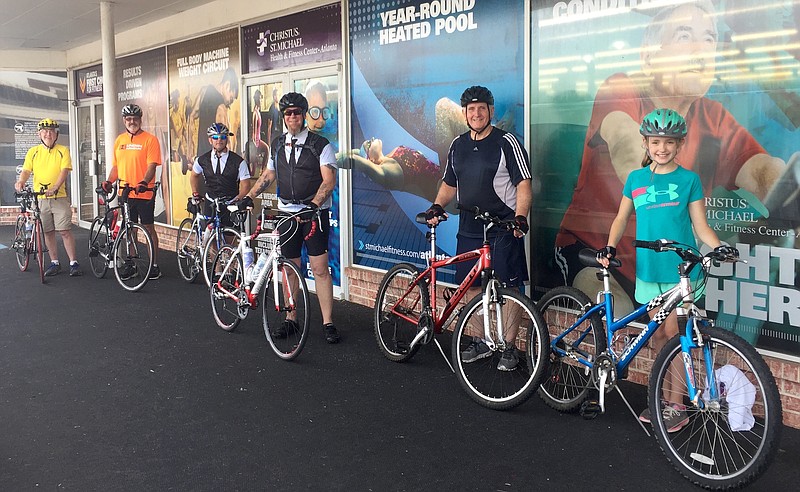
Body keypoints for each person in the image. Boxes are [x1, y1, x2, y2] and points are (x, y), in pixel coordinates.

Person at [554, 0, 787, 311]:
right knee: (621, 321)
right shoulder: (622, 87)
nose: (700, 50)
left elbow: (759, 169)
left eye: (709, 39)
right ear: (649, 57)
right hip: (594, 251)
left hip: (664, 261)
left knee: (681, 330)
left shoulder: (713, 116)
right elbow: (624, 141)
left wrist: (785, 188)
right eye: (684, 36)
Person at [597, 109, 737, 432]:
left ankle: (676, 404)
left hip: (680, 273)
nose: (662, 148)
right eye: (656, 142)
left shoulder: (689, 180)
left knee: (674, 335)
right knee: (659, 335)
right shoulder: (635, 179)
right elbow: (621, 218)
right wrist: (610, 245)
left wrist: (716, 246)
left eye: (669, 142)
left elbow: (700, 226)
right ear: (645, 143)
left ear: (680, 144)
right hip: (648, 271)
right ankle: (664, 397)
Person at [424, 85, 532, 371]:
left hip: (502, 227)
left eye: (481, 109)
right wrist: (437, 205)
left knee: (509, 288)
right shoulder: (457, 144)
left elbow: (524, 184)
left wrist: (520, 218)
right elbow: (449, 183)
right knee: (470, 287)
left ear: (491, 111)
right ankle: (480, 340)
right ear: (464, 114)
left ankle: (508, 347)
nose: (476, 114)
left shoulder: (506, 142)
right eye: (471, 110)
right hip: (469, 228)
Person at [242, 92, 340, 344]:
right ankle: (290, 319)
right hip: (287, 213)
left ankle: (328, 323)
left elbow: (329, 181)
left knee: (319, 269)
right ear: (284, 117)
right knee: (290, 269)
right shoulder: (276, 144)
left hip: (314, 215)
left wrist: (314, 204)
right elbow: (269, 174)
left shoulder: (321, 145)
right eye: (288, 113)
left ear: (304, 115)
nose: (293, 116)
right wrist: (248, 196)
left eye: (297, 112)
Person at [102, 104, 163, 280]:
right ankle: (132, 264)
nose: (132, 122)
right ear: (124, 121)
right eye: (128, 119)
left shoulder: (150, 140)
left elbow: (152, 166)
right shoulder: (120, 141)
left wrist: (144, 181)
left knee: (148, 228)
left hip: (144, 192)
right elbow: (116, 167)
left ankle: (154, 266)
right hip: (125, 192)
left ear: (140, 120)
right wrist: (109, 181)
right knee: (129, 230)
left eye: (135, 119)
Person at [15, 118, 82, 277]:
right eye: (45, 131)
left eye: (51, 131)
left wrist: (55, 187)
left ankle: (73, 262)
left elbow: (64, 171)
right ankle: (54, 262)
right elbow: (26, 170)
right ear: (39, 134)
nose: (48, 134)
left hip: (59, 197)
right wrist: (21, 182)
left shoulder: (63, 150)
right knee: (48, 231)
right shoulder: (34, 152)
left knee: (64, 230)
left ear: (56, 134)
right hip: (41, 199)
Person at [189, 123, 252, 228]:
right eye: (215, 137)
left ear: (227, 139)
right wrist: (195, 193)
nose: (219, 140)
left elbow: (246, 185)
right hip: (211, 203)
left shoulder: (238, 161)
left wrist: (238, 198)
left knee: (229, 238)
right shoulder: (202, 160)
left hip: (229, 203)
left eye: (222, 137)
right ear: (210, 140)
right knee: (211, 239)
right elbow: (194, 176)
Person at [189, 68, 239, 159]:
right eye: (231, 99)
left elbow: (191, 117)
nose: (230, 103)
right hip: (213, 164)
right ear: (227, 85)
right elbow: (228, 144)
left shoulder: (204, 91)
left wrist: (190, 149)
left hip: (201, 159)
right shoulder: (222, 108)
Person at [247, 89, 269, 176]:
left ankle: (261, 170)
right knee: (266, 149)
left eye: (260, 98)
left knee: (267, 149)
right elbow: (254, 129)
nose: (260, 100)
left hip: (258, 138)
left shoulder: (258, 111)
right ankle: (259, 171)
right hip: (256, 139)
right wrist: (254, 143)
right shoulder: (255, 112)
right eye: (258, 99)